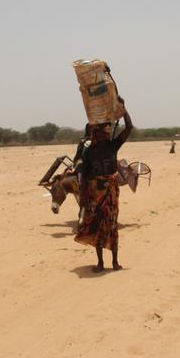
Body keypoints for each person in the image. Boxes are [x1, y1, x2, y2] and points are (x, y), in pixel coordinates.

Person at [74, 98, 133, 272]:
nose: (106, 133)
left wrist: (124, 110)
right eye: (102, 131)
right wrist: (84, 200)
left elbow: (129, 127)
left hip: (111, 194)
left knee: (112, 225)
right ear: (95, 134)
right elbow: (84, 177)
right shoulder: (89, 152)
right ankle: (100, 263)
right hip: (95, 195)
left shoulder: (113, 146)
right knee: (97, 226)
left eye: (107, 131)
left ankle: (114, 262)